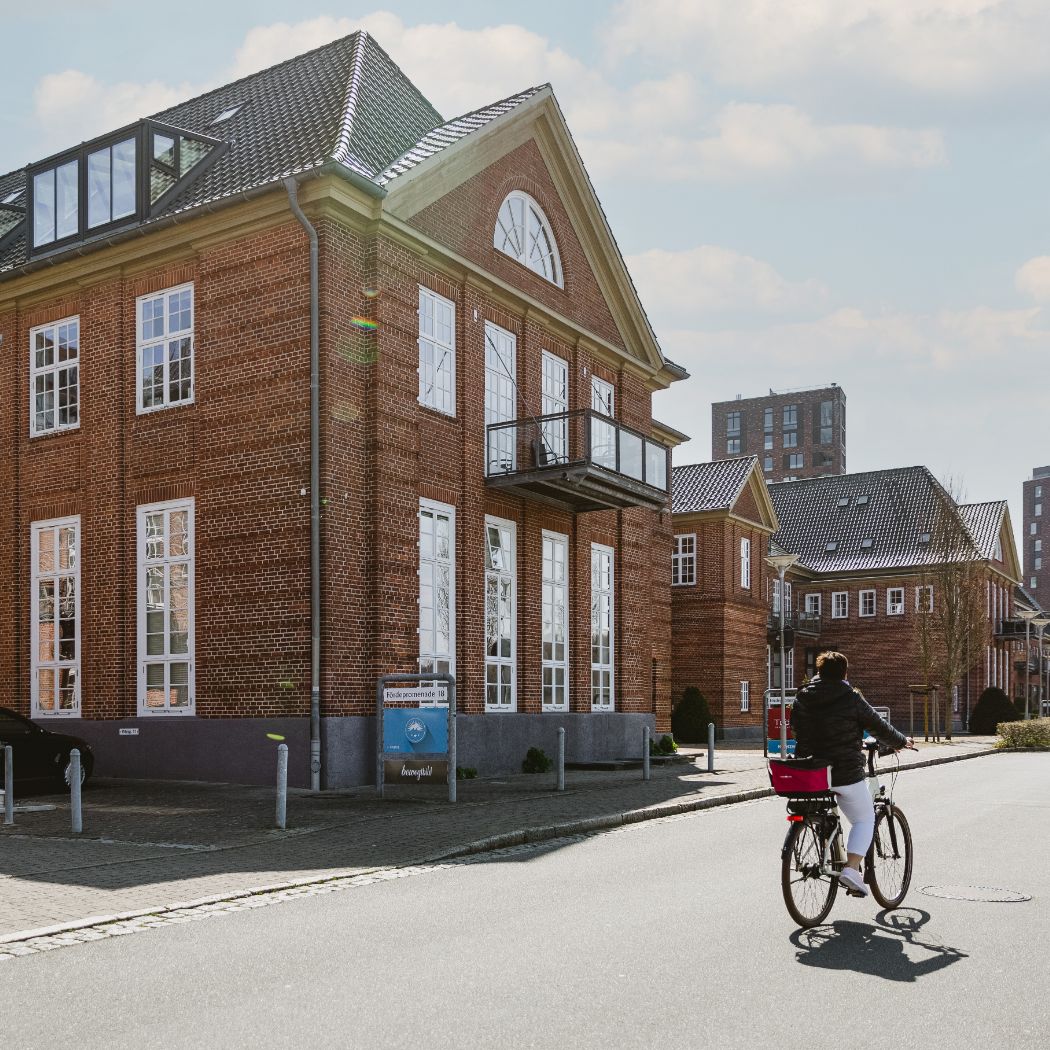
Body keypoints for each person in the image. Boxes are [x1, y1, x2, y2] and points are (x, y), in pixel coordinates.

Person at [791, 650, 913, 897]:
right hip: (844, 771)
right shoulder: (851, 697)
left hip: (810, 772)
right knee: (864, 819)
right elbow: (879, 727)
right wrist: (901, 741)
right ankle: (851, 868)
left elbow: (795, 726)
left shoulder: (803, 696)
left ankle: (825, 845)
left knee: (825, 808)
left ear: (819, 672)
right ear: (845, 673)